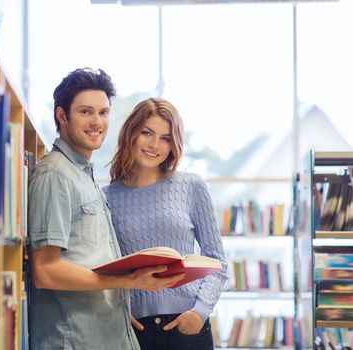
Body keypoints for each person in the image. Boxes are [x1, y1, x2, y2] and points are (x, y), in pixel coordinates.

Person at [27, 68, 185, 350]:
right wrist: (129, 281)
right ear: (62, 116)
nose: (97, 122)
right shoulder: (54, 174)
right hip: (75, 340)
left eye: (103, 112)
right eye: (86, 112)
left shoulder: (84, 175)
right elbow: (45, 270)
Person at [104, 97, 229, 350]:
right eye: (147, 133)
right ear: (131, 134)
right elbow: (103, 267)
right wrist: (116, 312)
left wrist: (199, 312)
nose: (154, 145)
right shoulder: (106, 197)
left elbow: (217, 261)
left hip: (188, 327)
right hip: (133, 330)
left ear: (174, 144)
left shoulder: (191, 186)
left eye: (165, 138)